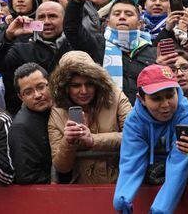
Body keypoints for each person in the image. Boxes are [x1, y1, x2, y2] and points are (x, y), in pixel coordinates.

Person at [113, 64, 188, 213]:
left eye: (170, 95)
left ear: (177, 90)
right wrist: (122, 197)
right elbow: (131, 161)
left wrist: (159, 210)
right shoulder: (134, 120)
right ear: (141, 99)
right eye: (156, 98)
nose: (166, 104)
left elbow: (178, 167)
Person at [48, 51, 131, 184]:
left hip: (120, 183)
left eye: (89, 84)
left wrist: (93, 140)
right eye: (76, 85)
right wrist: (68, 142)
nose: (84, 91)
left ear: (97, 82)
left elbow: (135, 136)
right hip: (82, 189)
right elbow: (61, 167)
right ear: (65, 87)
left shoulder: (115, 97)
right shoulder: (58, 111)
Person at [65, 0, 156, 105]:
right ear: (107, 23)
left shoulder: (152, 52)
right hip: (105, 116)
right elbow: (72, 30)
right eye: (117, 14)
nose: (122, 17)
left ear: (139, 24)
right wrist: (76, 1)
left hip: (143, 116)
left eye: (129, 14)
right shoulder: (97, 44)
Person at [0, 1, 72, 114]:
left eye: (52, 16)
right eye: (41, 17)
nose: (46, 22)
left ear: (64, 20)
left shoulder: (76, 46)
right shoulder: (22, 50)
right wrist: (7, 36)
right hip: (33, 119)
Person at [8, 63, 52, 184]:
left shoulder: (62, 109)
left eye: (41, 87)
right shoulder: (21, 128)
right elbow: (28, 176)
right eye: (28, 92)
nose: (37, 95)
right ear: (20, 97)